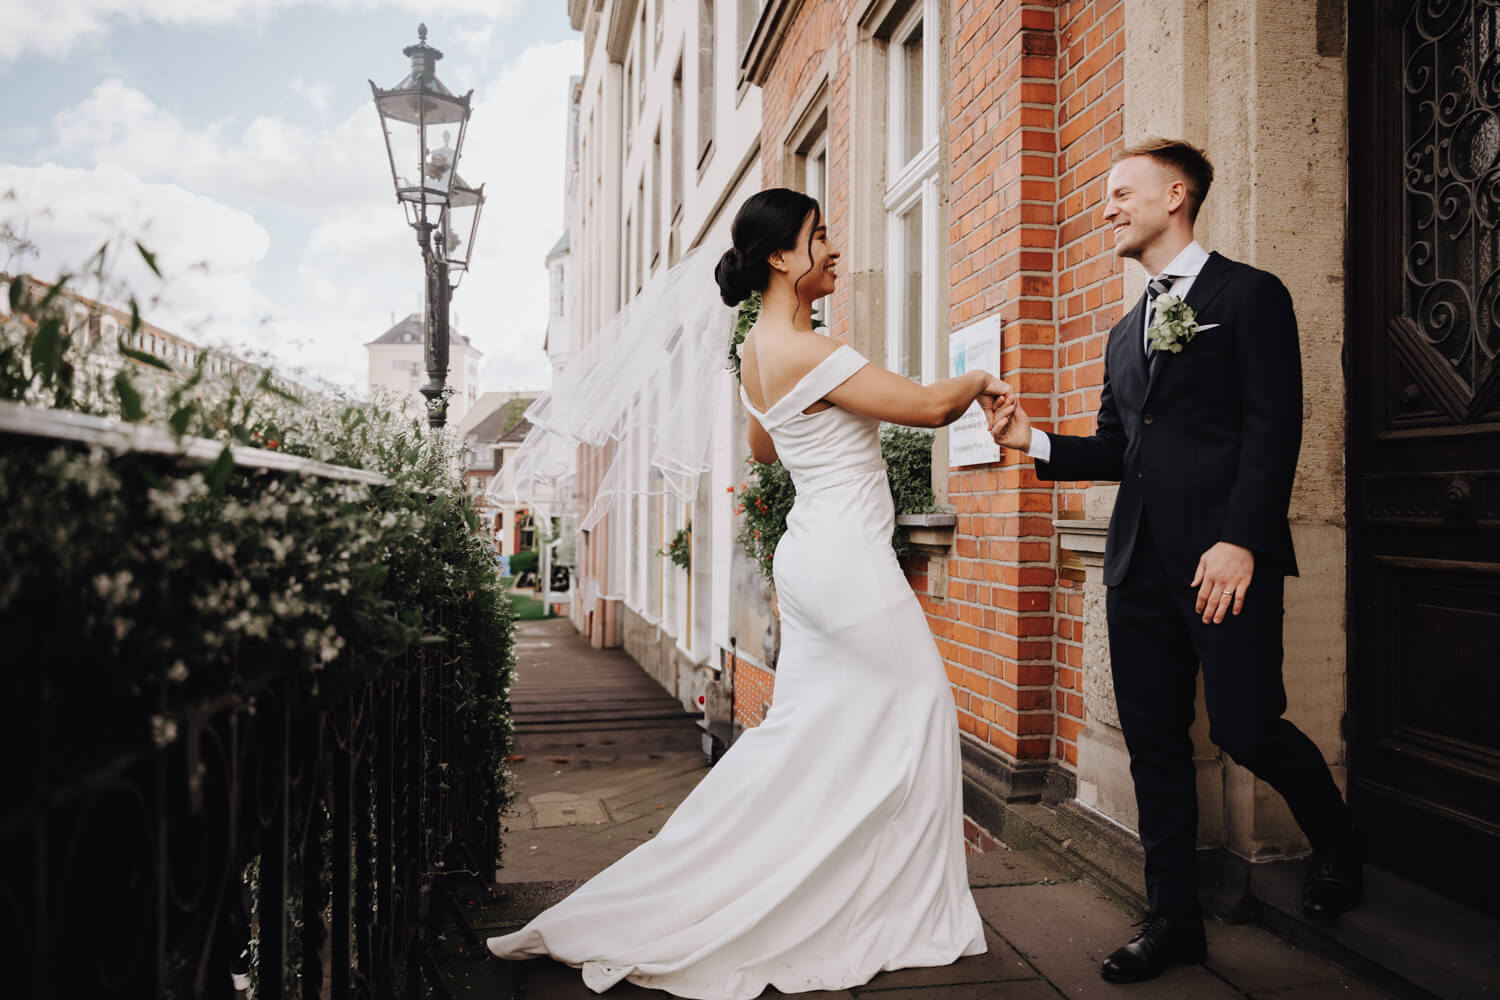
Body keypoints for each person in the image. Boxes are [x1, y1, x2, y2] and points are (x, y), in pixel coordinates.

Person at [486, 187, 1012, 998]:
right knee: (918, 714)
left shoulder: (759, 356)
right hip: (848, 565)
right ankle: (888, 905)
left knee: (815, 737)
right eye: (821, 236)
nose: (835, 249)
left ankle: (786, 883)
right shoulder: (811, 352)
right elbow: (932, 407)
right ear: (780, 256)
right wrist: (980, 374)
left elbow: (766, 449)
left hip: (815, 560)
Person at [986, 138, 1362, 984]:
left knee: (1244, 725)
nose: (1108, 207)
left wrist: (1241, 540)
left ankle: (1338, 845)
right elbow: (1122, 449)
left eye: (1123, 192)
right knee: (1155, 745)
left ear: (1177, 194)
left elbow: (1275, 429)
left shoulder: (1250, 295)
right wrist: (1033, 440)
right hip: (1139, 574)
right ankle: (1172, 920)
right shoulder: (1125, 334)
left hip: (1225, 563)